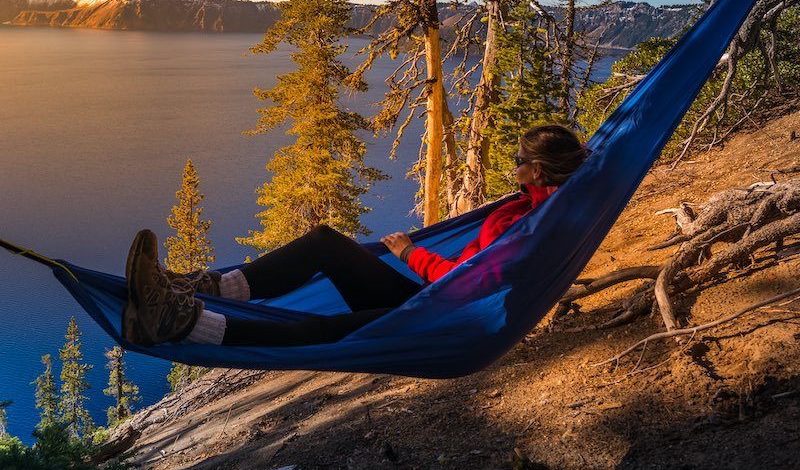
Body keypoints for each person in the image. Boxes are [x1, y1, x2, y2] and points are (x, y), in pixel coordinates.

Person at [123, 124, 588, 348]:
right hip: (434, 296)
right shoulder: (535, 205)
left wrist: (410, 254)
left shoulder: (532, 226)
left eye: (521, 158)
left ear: (539, 170)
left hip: (447, 315)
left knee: (317, 331)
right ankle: (209, 288)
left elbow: (472, 282)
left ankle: (178, 324)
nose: (515, 164)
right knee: (326, 241)